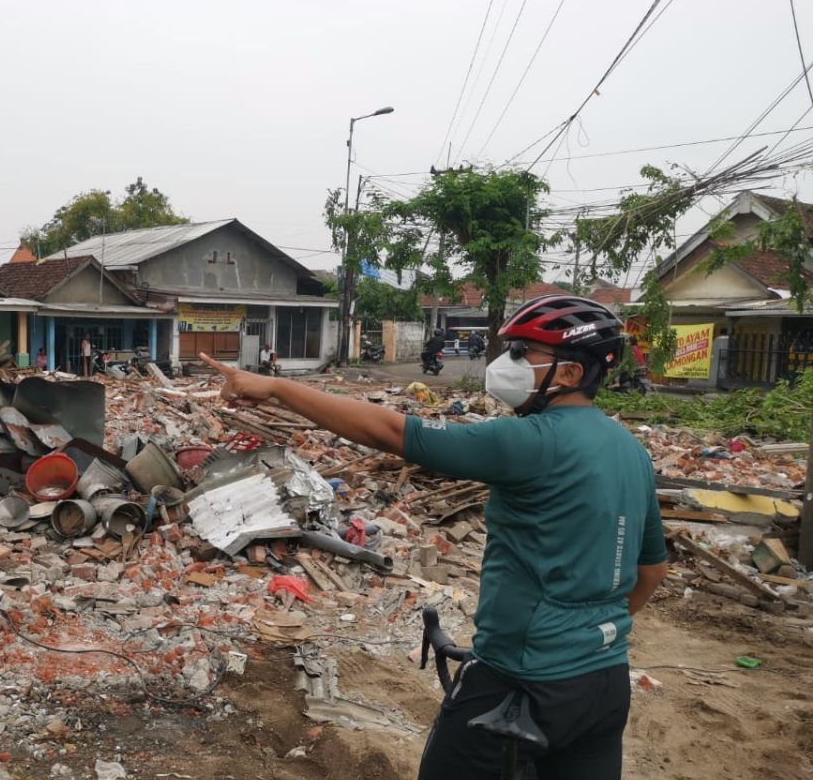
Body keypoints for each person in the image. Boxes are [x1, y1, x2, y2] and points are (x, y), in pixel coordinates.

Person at [200, 295, 668, 780]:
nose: (504, 364)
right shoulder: (631, 452)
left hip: (519, 687)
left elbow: (389, 431)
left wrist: (275, 386)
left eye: (521, 353)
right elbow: (651, 569)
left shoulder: (531, 442)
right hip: (604, 686)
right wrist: (584, 635)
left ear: (570, 373)